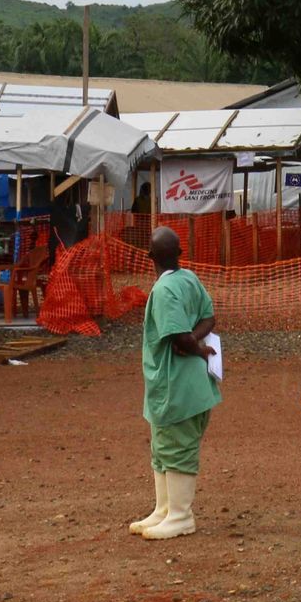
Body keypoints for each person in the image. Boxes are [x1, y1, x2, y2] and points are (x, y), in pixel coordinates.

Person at [129, 226, 220, 540]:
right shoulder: (189, 278)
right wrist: (198, 342)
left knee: (176, 446)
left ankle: (181, 515)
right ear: (180, 253)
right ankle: (164, 509)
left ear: (150, 256)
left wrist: (191, 344)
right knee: (163, 446)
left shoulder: (165, 290)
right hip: (186, 383)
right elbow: (209, 317)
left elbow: (177, 335)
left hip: (176, 386)